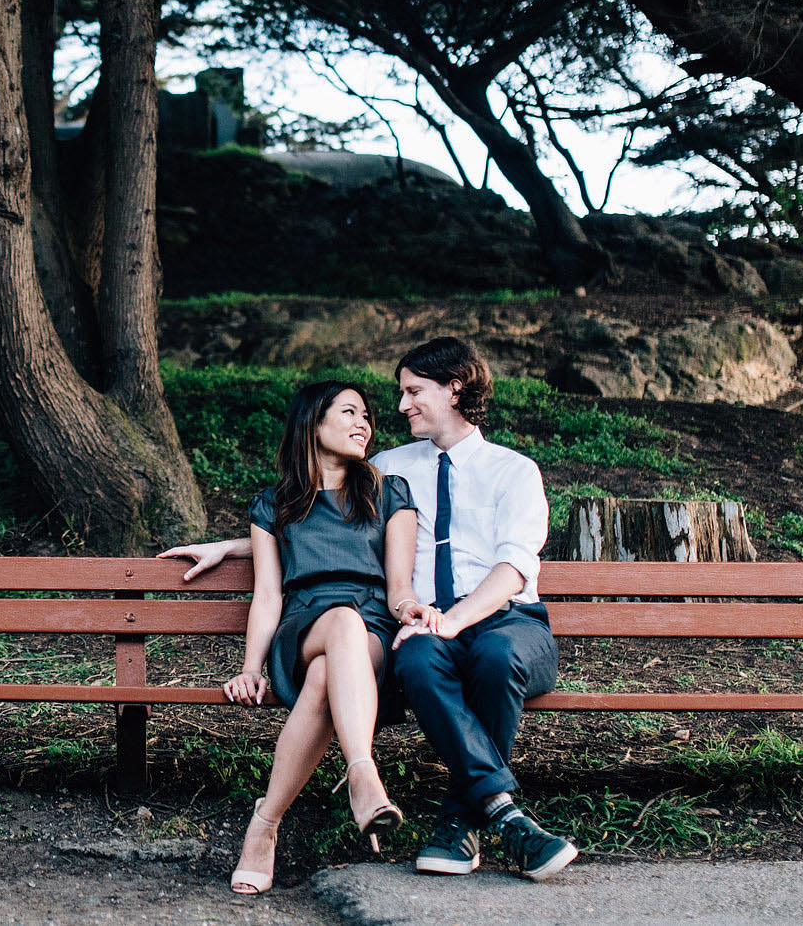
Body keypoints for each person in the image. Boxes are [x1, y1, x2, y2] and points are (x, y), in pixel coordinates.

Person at [160, 338, 578, 882]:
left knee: (491, 658)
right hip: (400, 627)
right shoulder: (385, 468)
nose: (397, 407)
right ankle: (371, 776)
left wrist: (439, 617)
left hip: (502, 620)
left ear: (454, 389)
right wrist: (234, 544)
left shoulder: (512, 471)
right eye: (390, 398)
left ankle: (464, 817)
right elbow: (318, 520)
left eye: (412, 392)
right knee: (416, 658)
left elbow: (514, 568)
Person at [215, 379, 427, 895]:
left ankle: (264, 827)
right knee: (339, 625)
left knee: (332, 666)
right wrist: (250, 668)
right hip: (304, 626)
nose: (365, 425)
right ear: (313, 421)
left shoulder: (389, 492)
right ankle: (362, 771)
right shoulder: (273, 505)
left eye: (367, 417)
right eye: (350, 412)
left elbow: (399, 586)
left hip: (373, 631)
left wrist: (410, 608)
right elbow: (268, 596)